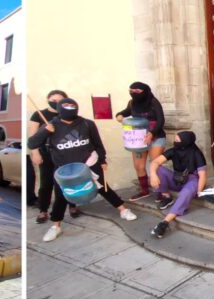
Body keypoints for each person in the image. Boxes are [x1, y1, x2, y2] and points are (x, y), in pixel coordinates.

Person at [27, 98, 137, 243]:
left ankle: (123, 210)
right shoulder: (51, 125)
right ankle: (55, 226)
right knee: (61, 196)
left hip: (89, 163)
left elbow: (98, 144)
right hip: (64, 168)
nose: (70, 109)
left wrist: (102, 160)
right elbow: (32, 143)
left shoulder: (87, 123)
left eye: (72, 106)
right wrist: (45, 132)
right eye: (66, 106)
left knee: (103, 188)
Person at [148, 131, 208, 239]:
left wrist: (199, 191)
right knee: (159, 169)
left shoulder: (196, 153)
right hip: (177, 178)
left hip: (192, 179)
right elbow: (155, 162)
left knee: (185, 193)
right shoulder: (174, 151)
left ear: (186, 141)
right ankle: (166, 196)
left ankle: (165, 222)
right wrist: (152, 175)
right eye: (175, 140)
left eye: (177, 140)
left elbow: (202, 175)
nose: (175, 142)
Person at [116, 82, 167, 201]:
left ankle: (159, 191)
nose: (133, 94)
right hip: (138, 139)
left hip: (156, 137)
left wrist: (152, 133)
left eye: (137, 91)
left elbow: (161, 120)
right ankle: (144, 190)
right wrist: (119, 115)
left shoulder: (153, 102)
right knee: (139, 166)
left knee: (155, 165)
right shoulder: (132, 103)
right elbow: (126, 112)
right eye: (131, 91)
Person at [29, 90, 67, 223]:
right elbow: (32, 137)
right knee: (46, 183)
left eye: (59, 100)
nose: (56, 102)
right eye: (53, 100)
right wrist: (35, 152)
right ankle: (43, 210)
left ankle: (72, 205)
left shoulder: (66, 114)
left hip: (64, 153)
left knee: (65, 181)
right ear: (48, 99)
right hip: (46, 153)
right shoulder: (39, 114)